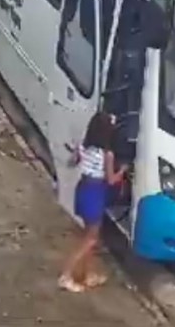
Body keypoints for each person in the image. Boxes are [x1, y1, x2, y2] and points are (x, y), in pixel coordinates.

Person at [59, 112, 127, 293]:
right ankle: (66, 275)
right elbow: (111, 180)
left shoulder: (84, 147)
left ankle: (87, 275)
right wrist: (123, 171)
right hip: (96, 193)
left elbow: (71, 163)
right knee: (90, 239)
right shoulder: (108, 155)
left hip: (83, 189)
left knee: (90, 235)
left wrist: (75, 153)